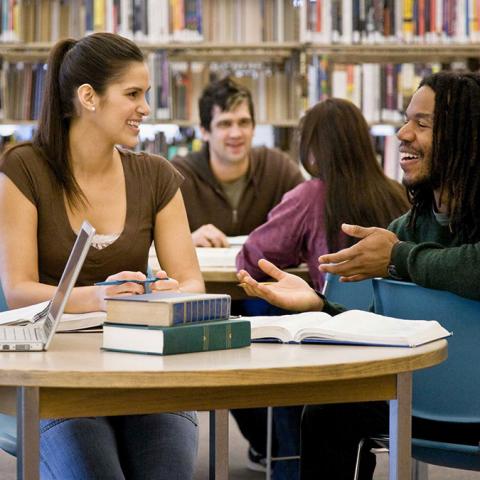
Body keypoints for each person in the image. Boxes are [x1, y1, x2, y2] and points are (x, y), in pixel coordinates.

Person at [237, 70, 480, 479]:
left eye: (422, 123)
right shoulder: (407, 226)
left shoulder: (398, 243)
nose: (403, 133)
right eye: (406, 119)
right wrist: (319, 304)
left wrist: (398, 257)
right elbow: (377, 323)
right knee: (326, 411)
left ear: (465, 138)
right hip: (411, 404)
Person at [0, 33, 204, 479]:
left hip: (147, 373)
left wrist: (168, 292)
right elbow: (19, 291)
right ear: (88, 97)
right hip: (60, 382)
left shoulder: (157, 176)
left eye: (146, 94)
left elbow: (192, 282)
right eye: (132, 94)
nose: (145, 108)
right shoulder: (23, 169)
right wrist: (104, 297)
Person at [237, 98, 409, 291]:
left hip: (338, 316)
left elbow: (251, 260)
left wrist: (302, 249)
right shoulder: (398, 193)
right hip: (400, 315)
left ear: (312, 148)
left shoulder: (309, 196)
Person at [171, 76, 304, 248]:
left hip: (264, 274)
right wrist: (185, 241)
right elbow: (148, 240)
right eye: (225, 124)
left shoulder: (278, 168)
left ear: (254, 127)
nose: (236, 134)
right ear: (204, 131)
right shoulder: (177, 177)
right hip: (201, 274)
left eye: (244, 122)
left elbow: (311, 220)